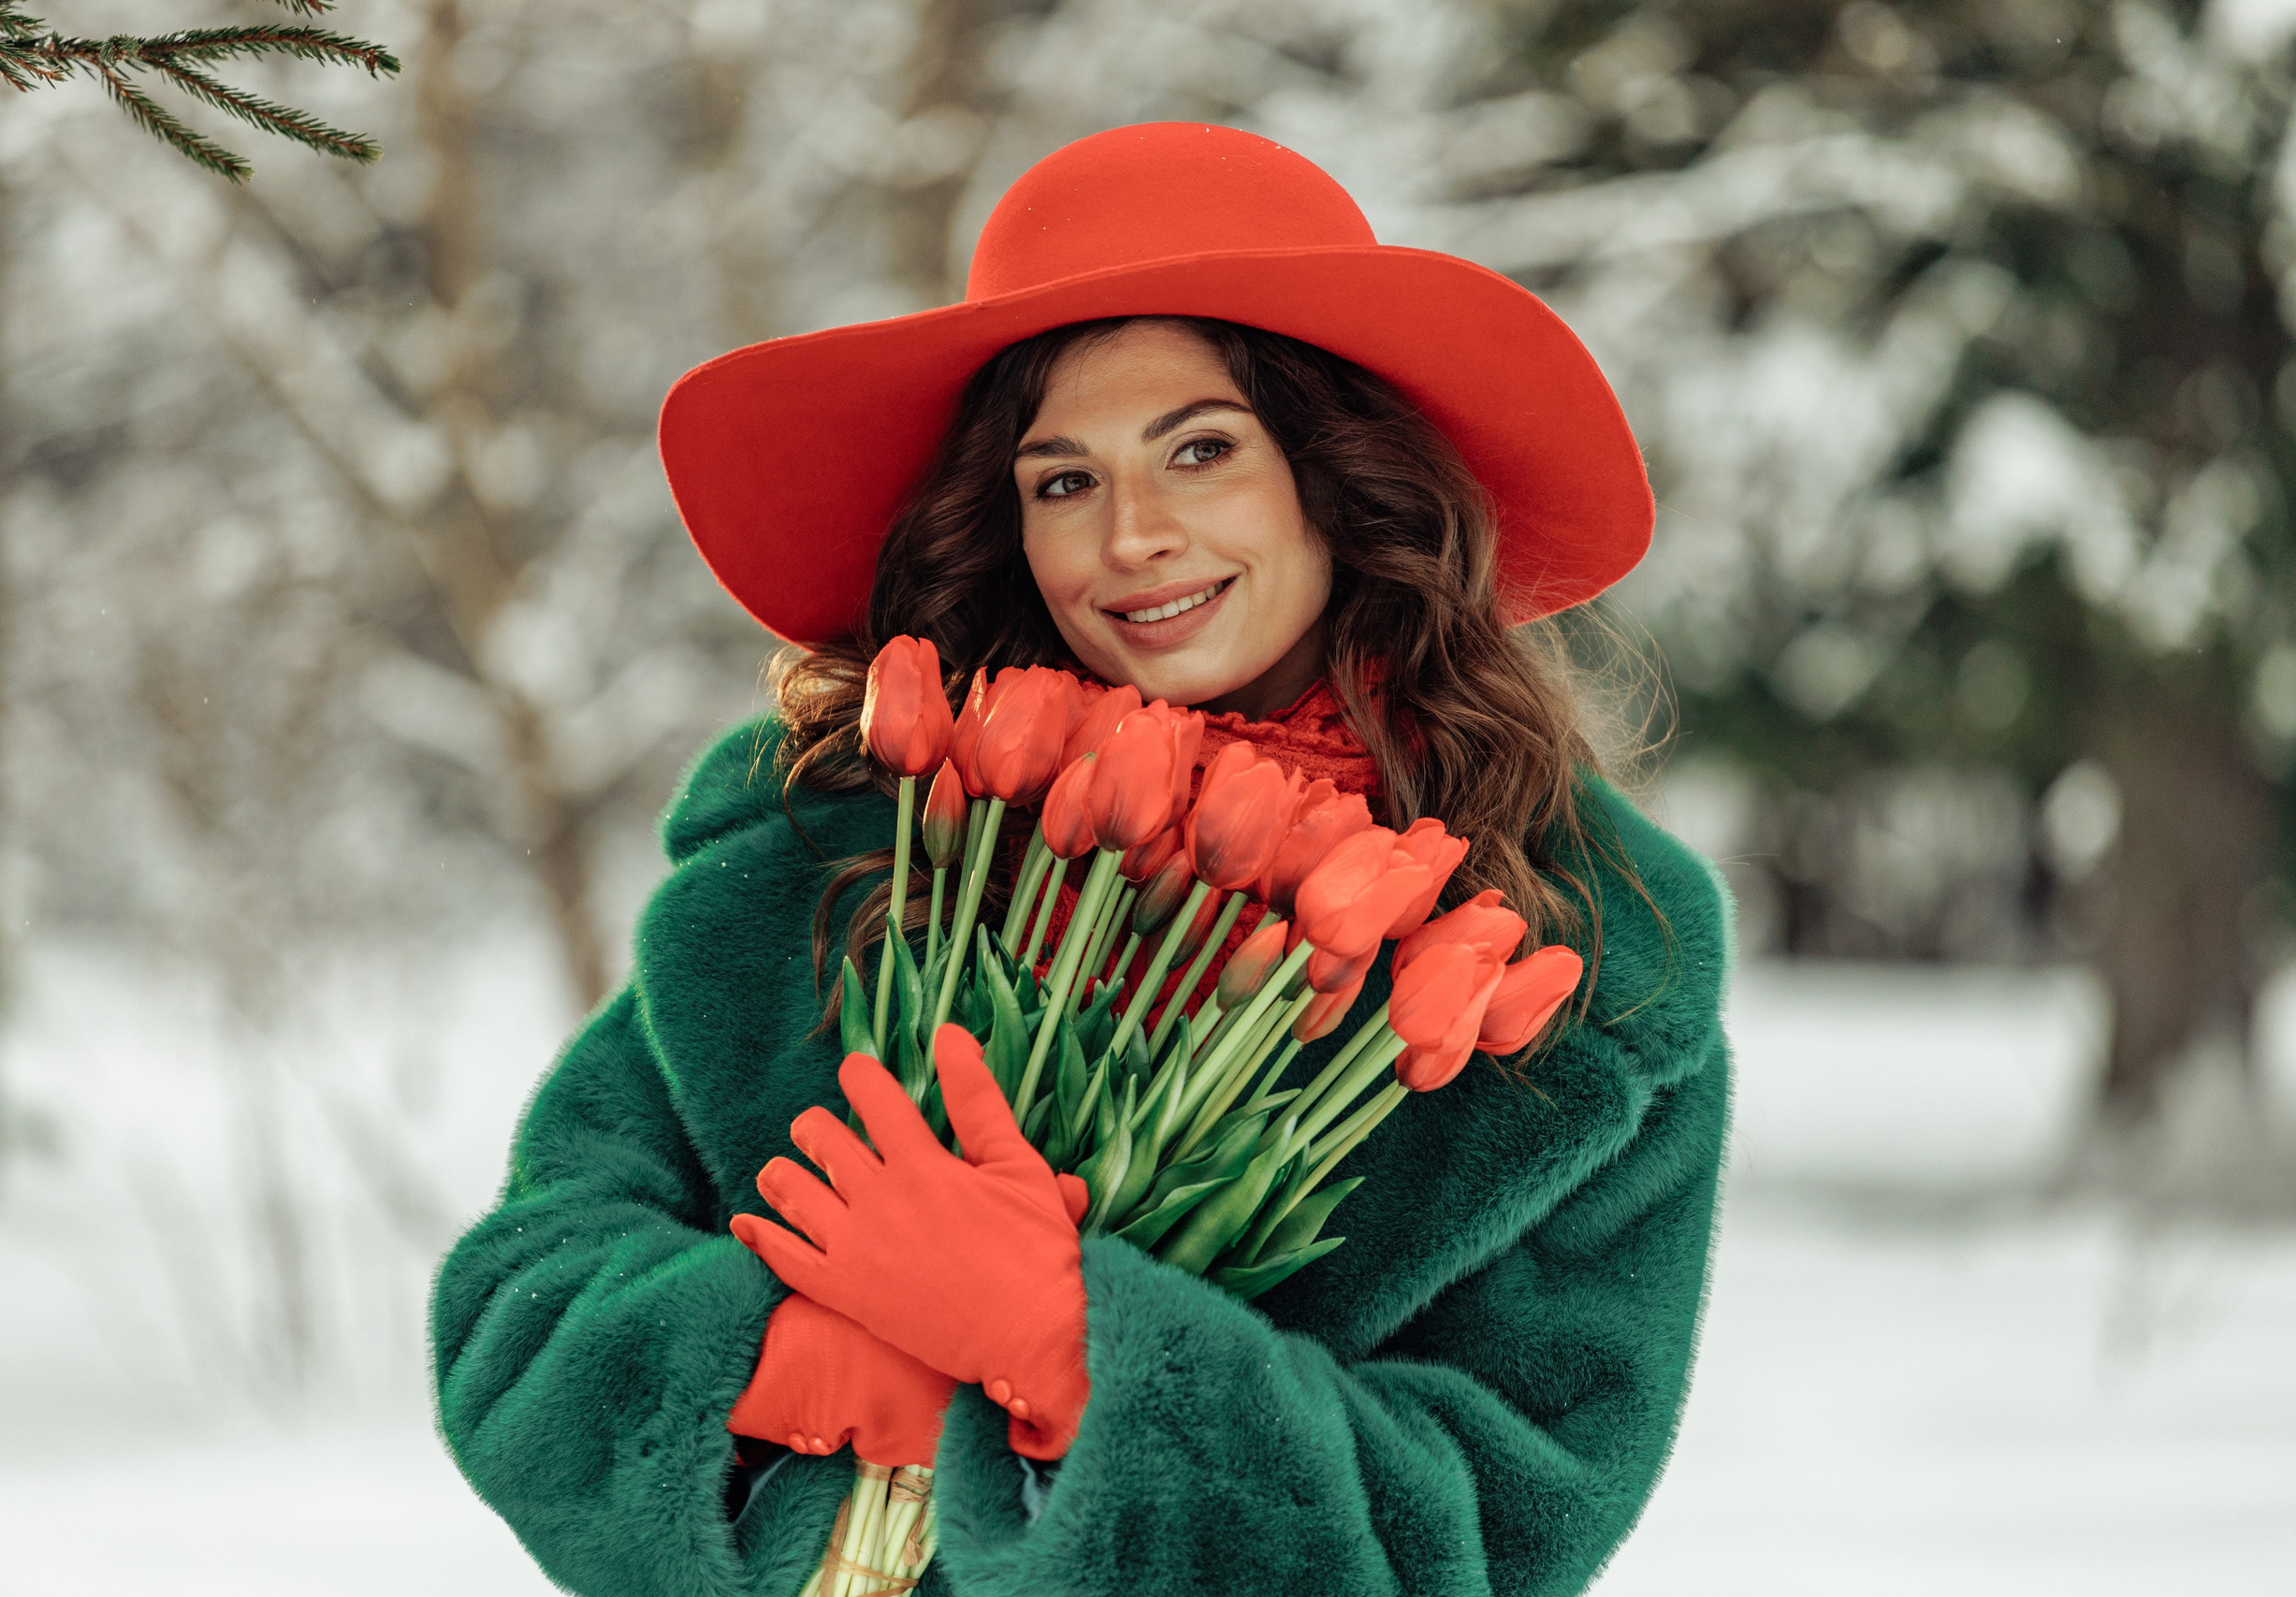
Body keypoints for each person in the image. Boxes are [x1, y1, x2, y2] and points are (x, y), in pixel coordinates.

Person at [431, 122, 1734, 1597]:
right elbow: (521, 1306)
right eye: (1062, 482)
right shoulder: (846, 838)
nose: (1133, 540)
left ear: (1340, 472)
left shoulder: (1585, 961)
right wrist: (803, 1361)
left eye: (1200, 450)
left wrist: (1068, 1352)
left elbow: (1502, 1523)